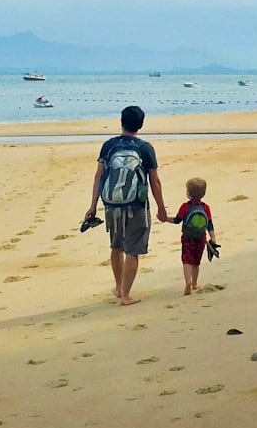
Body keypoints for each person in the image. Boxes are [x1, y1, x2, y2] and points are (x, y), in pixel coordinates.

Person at [84, 105, 167, 306]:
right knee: (133, 249)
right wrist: (161, 208)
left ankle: (119, 287)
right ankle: (126, 296)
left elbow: (99, 176)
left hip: (112, 204)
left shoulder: (109, 146)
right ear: (140, 124)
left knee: (116, 246)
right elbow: (154, 181)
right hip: (136, 204)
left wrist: (93, 205)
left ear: (121, 121)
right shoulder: (145, 148)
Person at [168, 177, 219, 295]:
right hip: (201, 238)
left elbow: (177, 220)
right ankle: (195, 283)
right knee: (196, 261)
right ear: (204, 194)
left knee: (187, 260)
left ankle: (188, 282)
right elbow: (209, 224)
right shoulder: (206, 208)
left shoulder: (185, 207)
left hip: (187, 238)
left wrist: (165, 218)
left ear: (188, 194)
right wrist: (213, 238)